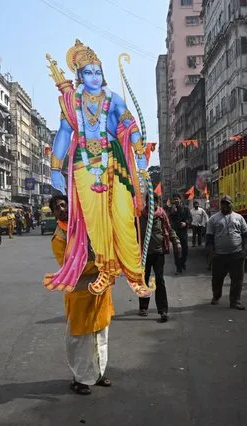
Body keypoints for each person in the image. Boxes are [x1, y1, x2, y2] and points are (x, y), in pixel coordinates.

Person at [44, 39, 152, 298]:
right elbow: (63, 133)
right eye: (88, 73)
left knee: (124, 217)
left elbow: (131, 127)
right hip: (83, 164)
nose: (94, 77)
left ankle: (135, 275)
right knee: (96, 224)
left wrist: (140, 159)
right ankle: (106, 270)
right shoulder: (70, 102)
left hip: (114, 162)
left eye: (98, 72)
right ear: (79, 76)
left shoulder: (113, 99)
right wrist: (56, 168)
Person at [48, 194, 113, 395]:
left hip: (100, 291)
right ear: (54, 214)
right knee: (80, 340)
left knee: (100, 335)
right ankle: (80, 379)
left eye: (64, 204)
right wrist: (103, 264)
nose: (62, 209)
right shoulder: (59, 236)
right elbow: (71, 267)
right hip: (80, 294)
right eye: (57, 208)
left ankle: (98, 374)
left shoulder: (87, 224)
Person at [138, 196, 181, 322]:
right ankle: (143, 307)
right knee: (144, 280)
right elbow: (133, 231)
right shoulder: (140, 215)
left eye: (155, 202)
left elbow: (169, 229)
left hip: (158, 253)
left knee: (160, 280)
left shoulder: (162, 215)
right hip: (144, 254)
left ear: (158, 203)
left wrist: (176, 242)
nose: (153, 204)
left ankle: (163, 311)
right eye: (150, 202)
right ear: (147, 203)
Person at [206, 195, 247, 310]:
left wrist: (244, 251)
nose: (225, 206)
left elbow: (246, 235)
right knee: (217, 278)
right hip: (219, 255)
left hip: (236, 254)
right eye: (223, 204)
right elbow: (209, 238)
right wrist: (212, 254)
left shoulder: (239, 218)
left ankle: (235, 301)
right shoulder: (213, 219)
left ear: (232, 204)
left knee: (237, 279)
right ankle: (216, 296)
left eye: (228, 203)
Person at [169, 194, 192, 275]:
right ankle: (178, 268)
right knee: (176, 250)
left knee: (185, 250)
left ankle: (182, 263)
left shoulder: (186, 208)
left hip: (183, 232)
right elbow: (169, 219)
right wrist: (172, 212)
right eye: (174, 199)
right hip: (175, 232)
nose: (175, 201)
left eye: (177, 199)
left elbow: (190, 218)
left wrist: (186, 223)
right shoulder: (172, 209)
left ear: (180, 199)